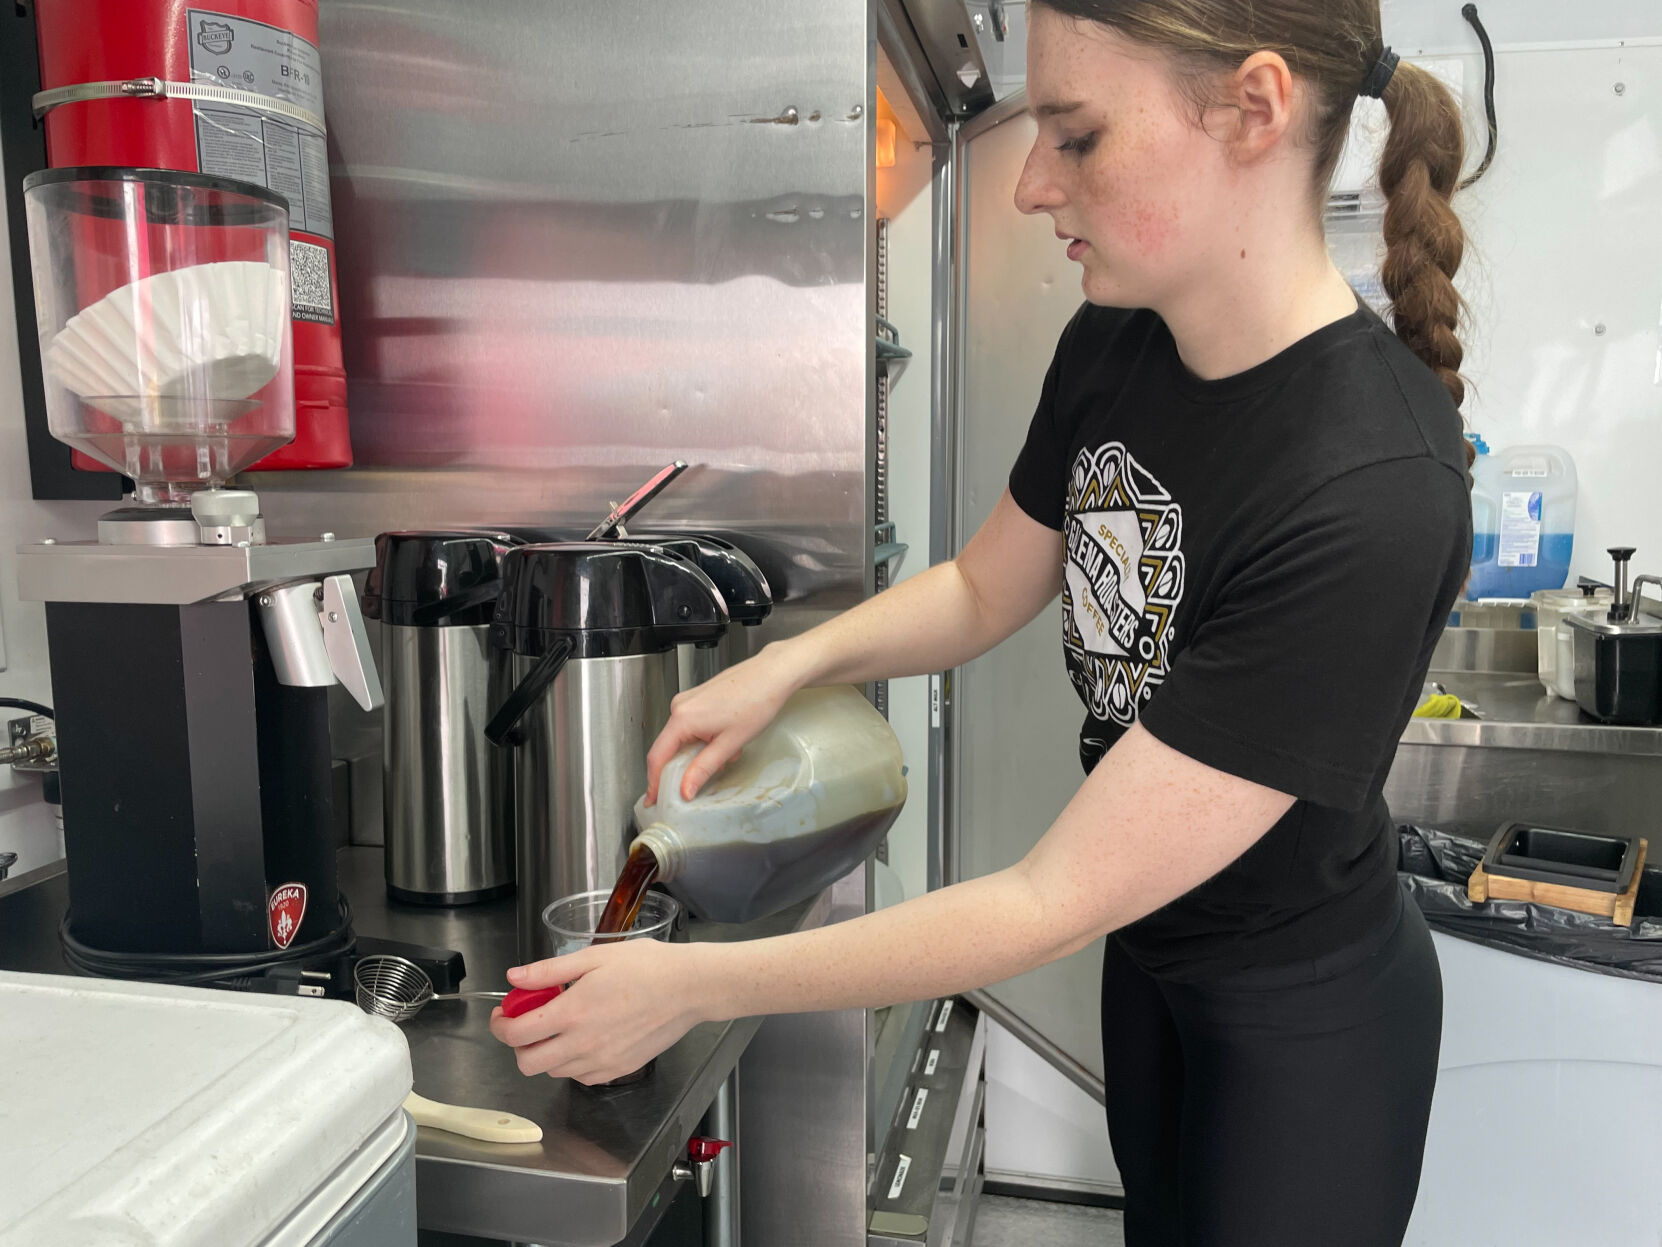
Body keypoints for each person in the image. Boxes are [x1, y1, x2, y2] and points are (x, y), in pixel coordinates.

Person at [492, 2, 1474, 1242]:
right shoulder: (1118, 339)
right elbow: (982, 588)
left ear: (1255, 108)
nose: (1029, 187)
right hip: (1153, 963)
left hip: (1304, 1020)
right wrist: (788, 662)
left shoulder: (1372, 484)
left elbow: (1045, 894)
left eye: (1076, 135)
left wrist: (693, 985)